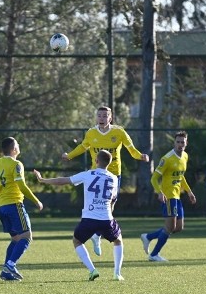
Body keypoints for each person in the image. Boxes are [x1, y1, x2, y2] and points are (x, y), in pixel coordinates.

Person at [62, 105, 148, 257]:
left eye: (105, 115)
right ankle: (95, 233)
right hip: (96, 174)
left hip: (114, 174)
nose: (102, 118)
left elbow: (131, 149)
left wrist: (141, 156)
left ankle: (97, 235)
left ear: (110, 117)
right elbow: (83, 147)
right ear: (97, 117)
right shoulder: (91, 133)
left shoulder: (119, 132)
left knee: (110, 206)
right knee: (94, 204)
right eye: (99, 115)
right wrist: (69, 155)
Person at [34, 149, 125, 281]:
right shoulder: (114, 178)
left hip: (89, 218)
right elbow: (113, 200)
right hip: (106, 218)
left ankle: (92, 270)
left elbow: (63, 181)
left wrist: (43, 180)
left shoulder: (88, 174)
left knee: (77, 241)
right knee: (118, 241)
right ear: (109, 163)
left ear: (96, 161)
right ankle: (117, 273)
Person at [0, 137, 43, 281]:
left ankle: (6, 272)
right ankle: (10, 264)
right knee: (27, 237)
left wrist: (1, 195)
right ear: (14, 149)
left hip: (2, 206)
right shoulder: (16, 164)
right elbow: (21, 186)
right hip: (14, 205)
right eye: (18, 145)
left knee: (16, 239)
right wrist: (36, 200)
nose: (19, 146)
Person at [141, 131, 197, 262]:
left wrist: (189, 192)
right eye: (178, 142)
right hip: (168, 196)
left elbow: (180, 176)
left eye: (182, 142)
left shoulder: (185, 157)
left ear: (186, 143)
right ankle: (154, 254)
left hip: (177, 196)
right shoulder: (167, 158)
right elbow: (154, 178)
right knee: (170, 227)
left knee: (178, 228)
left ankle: (148, 237)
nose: (180, 144)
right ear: (174, 142)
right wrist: (159, 192)